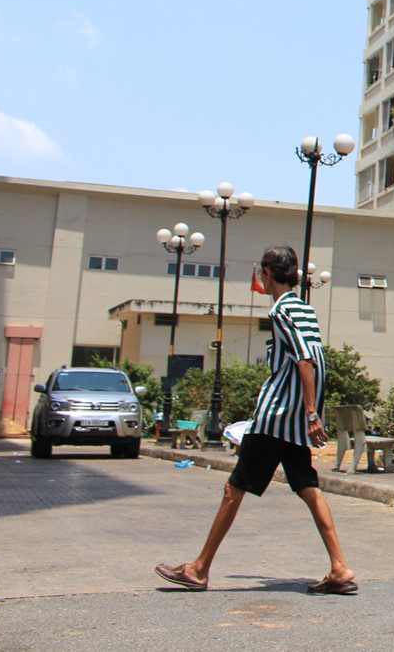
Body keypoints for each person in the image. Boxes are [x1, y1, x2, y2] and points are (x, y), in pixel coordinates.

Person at [155, 245, 357, 595]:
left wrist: (311, 412)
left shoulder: (281, 311)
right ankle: (339, 567)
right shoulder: (305, 308)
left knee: (233, 489)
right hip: (293, 423)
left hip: (275, 419)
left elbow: (305, 361)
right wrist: (309, 413)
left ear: (267, 273)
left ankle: (199, 570)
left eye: (260, 271)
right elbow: (317, 361)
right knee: (308, 487)